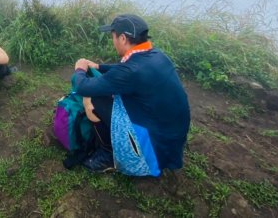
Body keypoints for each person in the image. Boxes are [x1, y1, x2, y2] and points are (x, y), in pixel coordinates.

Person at [72, 14, 190, 174]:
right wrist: (99, 67)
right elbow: (126, 71)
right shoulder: (157, 56)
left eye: (113, 36)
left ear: (122, 38)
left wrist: (80, 68)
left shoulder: (130, 71)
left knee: (93, 98)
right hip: (170, 143)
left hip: (151, 154)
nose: (112, 41)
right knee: (112, 96)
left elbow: (83, 87)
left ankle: (107, 155)